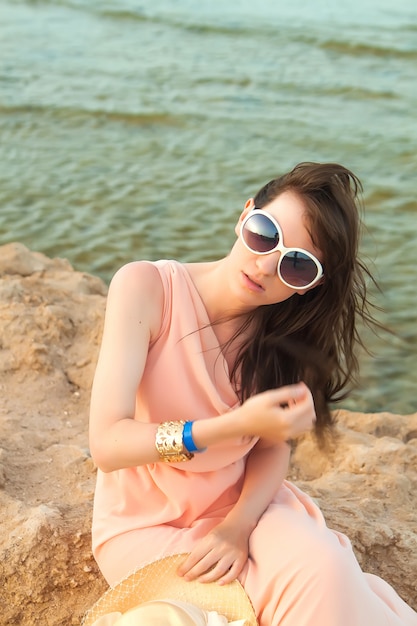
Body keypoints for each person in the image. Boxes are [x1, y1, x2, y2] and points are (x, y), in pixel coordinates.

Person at [89, 162, 417, 625]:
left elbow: (270, 450)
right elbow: (107, 445)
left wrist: (238, 527)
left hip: (246, 510)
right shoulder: (146, 288)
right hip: (146, 522)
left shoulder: (286, 337)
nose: (266, 266)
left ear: (311, 285)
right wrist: (234, 425)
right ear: (245, 215)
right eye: (265, 234)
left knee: (325, 571)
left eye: (296, 265)